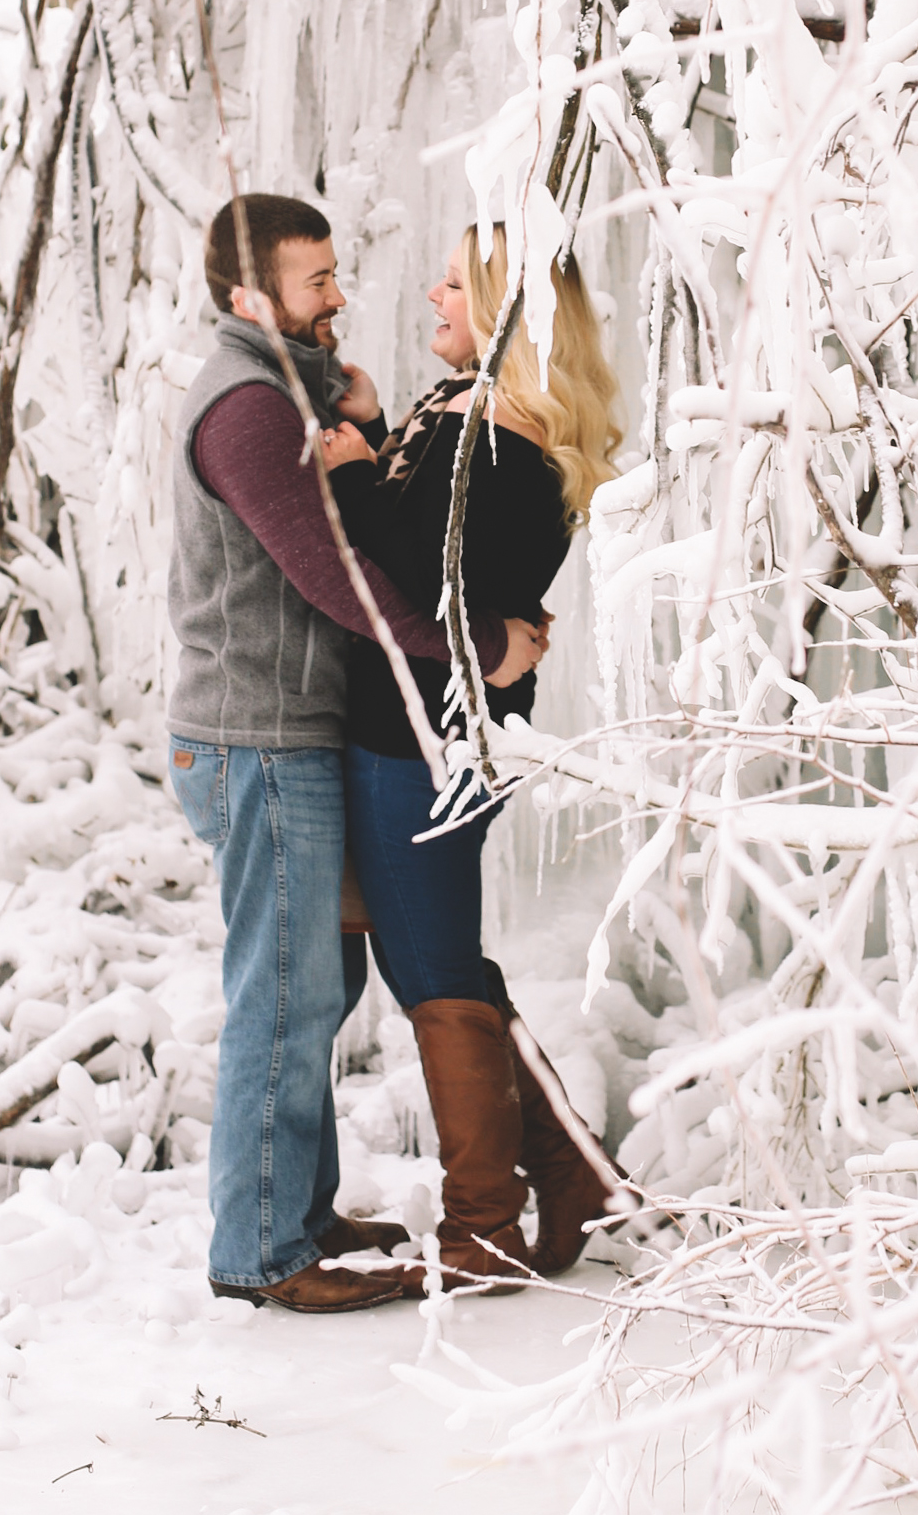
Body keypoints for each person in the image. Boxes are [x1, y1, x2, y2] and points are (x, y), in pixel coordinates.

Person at [165, 194, 545, 1315]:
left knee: (313, 988)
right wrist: (482, 649)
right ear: (249, 300)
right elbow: (333, 576)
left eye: (335, 272)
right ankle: (264, 1253)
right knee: (282, 996)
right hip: (256, 745)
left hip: (285, 737)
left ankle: (296, 1212)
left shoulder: (283, 388)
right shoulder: (242, 411)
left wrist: (363, 422)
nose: (341, 296)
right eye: (315, 282)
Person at [321, 222, 626, 1292]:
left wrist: (355, 474)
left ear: (507, 315)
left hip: (422, 737)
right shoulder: (470, 419)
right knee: (433, 963)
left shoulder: (499, 437)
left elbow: (418, 577)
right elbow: (433, 543)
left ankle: (485, 1228)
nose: (432, 294)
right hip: (422, 729)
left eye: (456, 283)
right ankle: (569, 1174)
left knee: (438, 970)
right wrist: (369, 424)